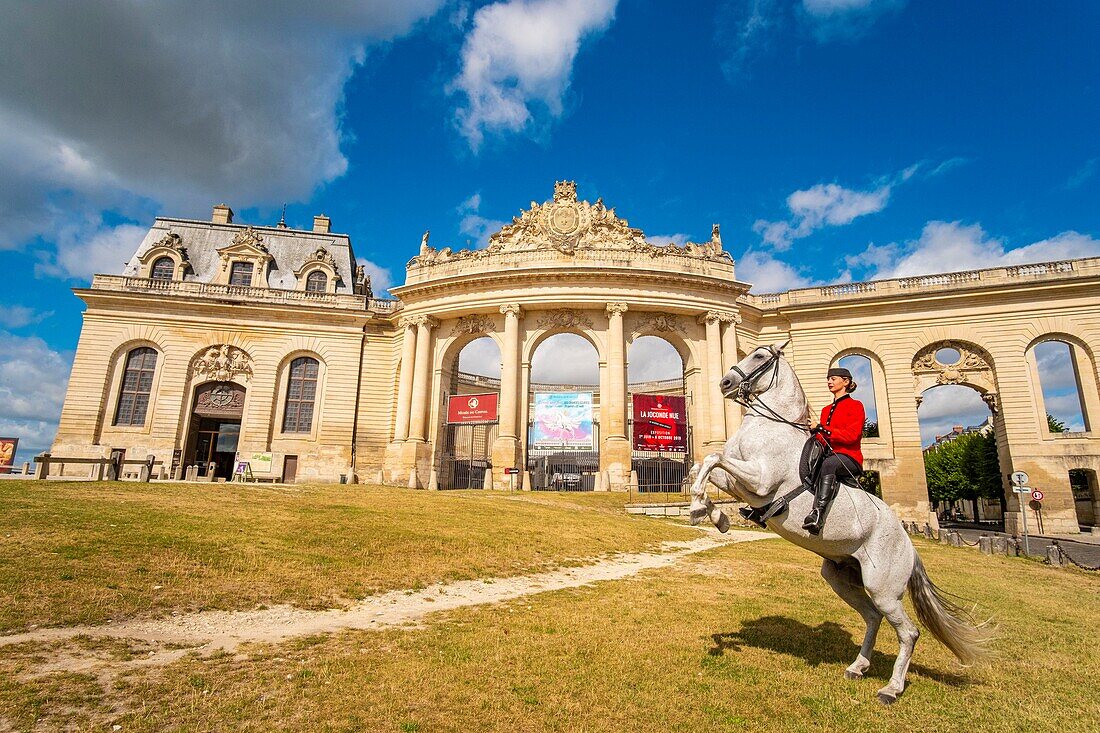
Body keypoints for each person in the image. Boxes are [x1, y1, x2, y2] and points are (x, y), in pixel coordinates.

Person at [803, 366, 865, 534]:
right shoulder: (825, 410)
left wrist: (823, 428)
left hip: (849, 458)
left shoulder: (856, 406)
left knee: (829, 464)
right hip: (830, 457)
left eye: (833, 379)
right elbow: (822, 440)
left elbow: (852, 436)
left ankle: (818, 514)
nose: (829, 382)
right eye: (828, 379)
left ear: (846, 382)